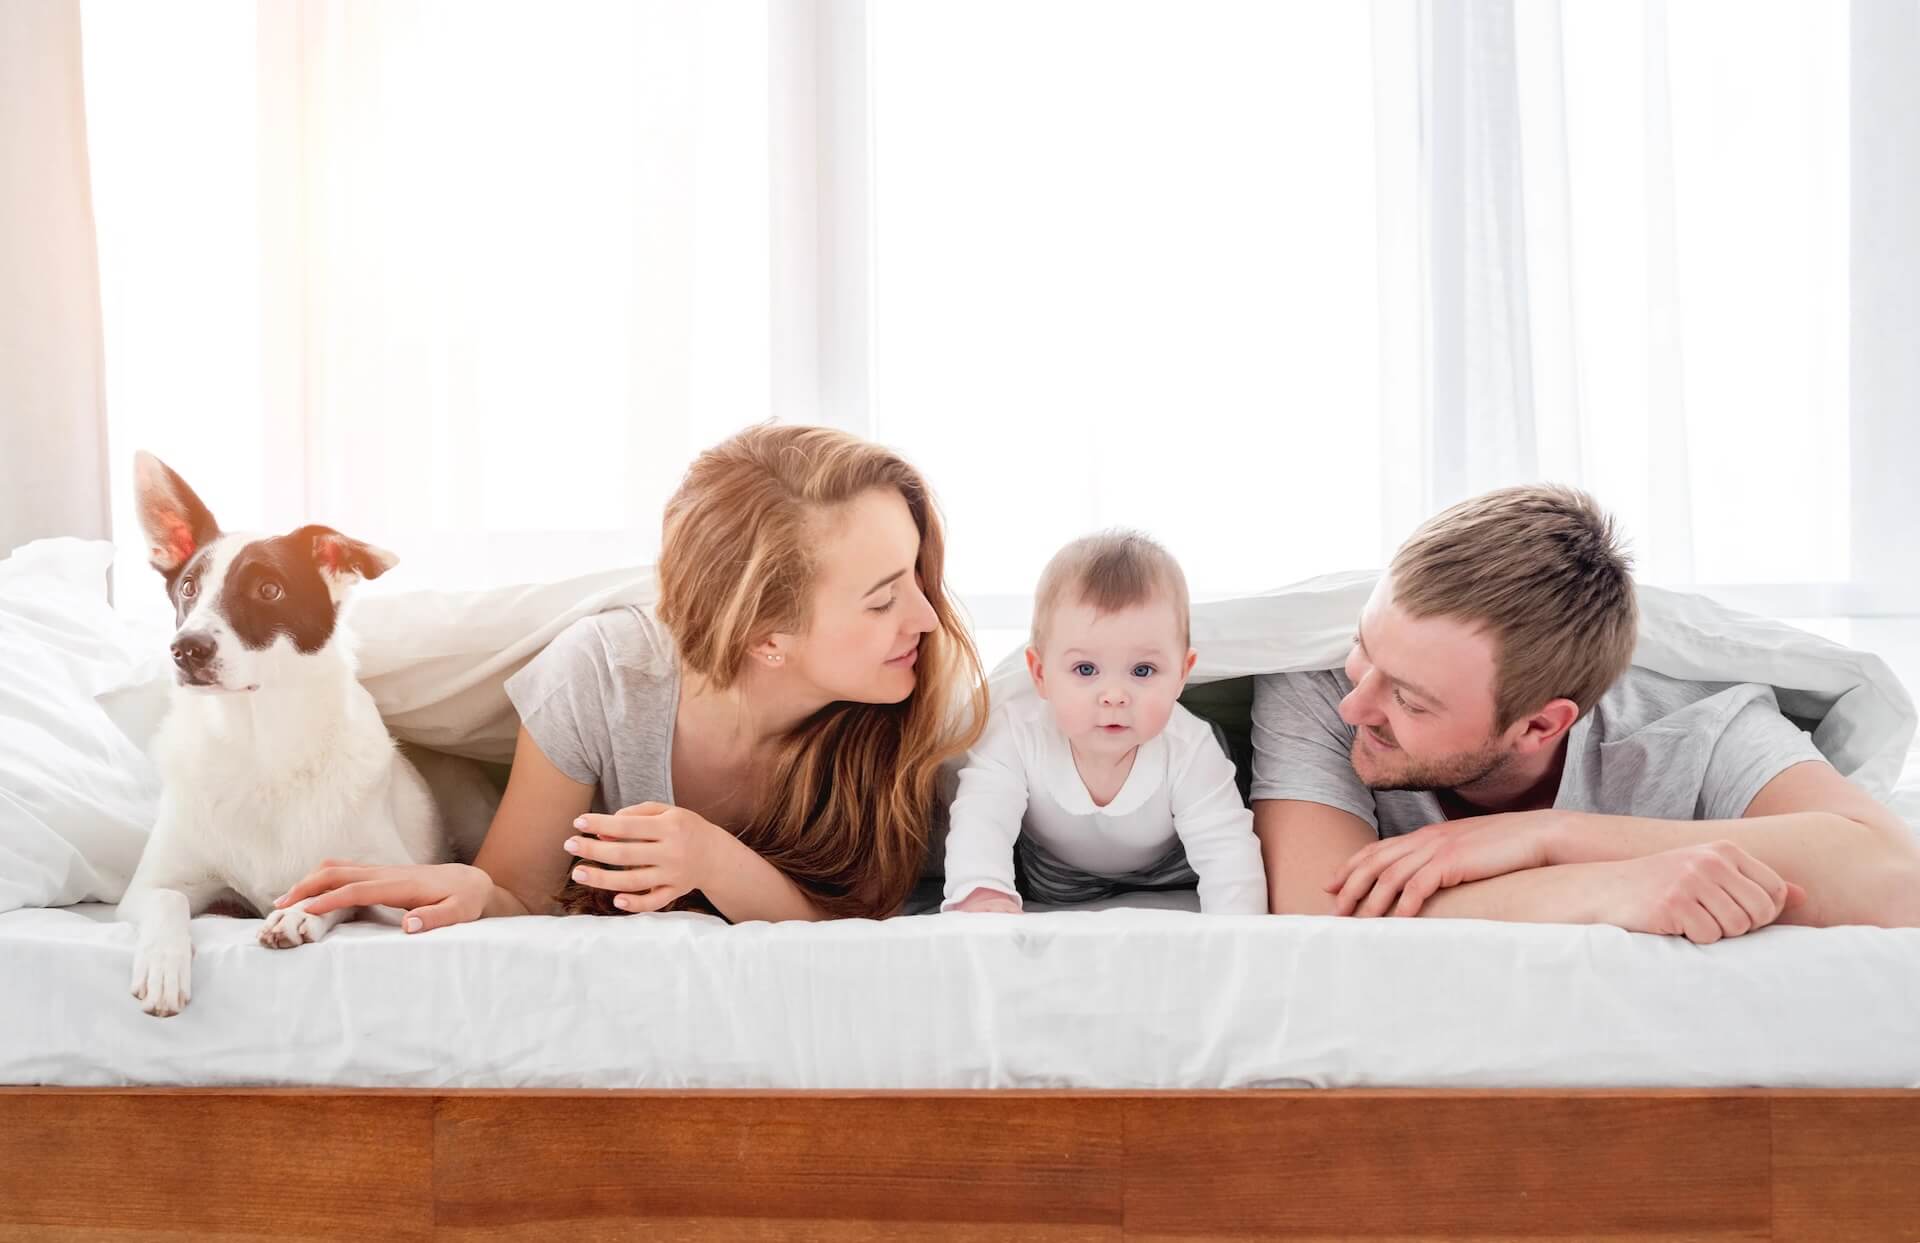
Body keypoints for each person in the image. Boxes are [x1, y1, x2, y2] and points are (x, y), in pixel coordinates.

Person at [275, 423, 989, 927]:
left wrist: (712, 857)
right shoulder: (602, 680)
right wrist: (471, 889)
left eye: (916, 574)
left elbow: (856, 919)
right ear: (765, 638)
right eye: (883, 597)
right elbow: (519, 898)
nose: (927, 617)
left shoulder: (922, 701)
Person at [1252, 484, 1920, 941]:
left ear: (1540, 725)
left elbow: (1897, 878)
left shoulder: (1697, 724)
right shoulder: (1312, 689)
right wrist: (1601, 891)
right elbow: (1319, 910)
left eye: (1409, 698)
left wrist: (1552, 835)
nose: (1354, 701)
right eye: (1363, 648)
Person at [943, 531, 1265, 914]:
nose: (1114, 695)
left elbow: (1226, 847)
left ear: (1182, 673)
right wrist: (981, 893)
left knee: (1226, 835)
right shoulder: (1015, 732)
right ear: (1040, 674)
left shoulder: (1189, 745)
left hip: (1174, 865)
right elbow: (982, 817)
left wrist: (1239, 929)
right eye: (1085, 669)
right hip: (1059, 874)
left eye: (1143, 670)